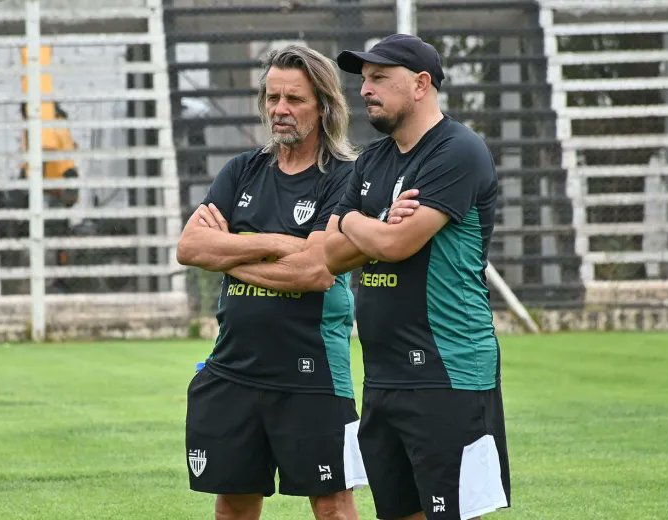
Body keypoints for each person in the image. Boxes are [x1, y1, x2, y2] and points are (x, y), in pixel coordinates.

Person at [324, 34, 510, 520]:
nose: (365, 89)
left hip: (448, 370)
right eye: (364, 80)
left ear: (421, 84)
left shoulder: (458, 150)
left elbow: (395, 245)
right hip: (383, 373)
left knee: (451, 513)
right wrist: (376, 221)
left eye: (379, 78)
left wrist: (353, 221)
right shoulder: (372, 160)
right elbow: (330, 254)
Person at [177, 45, 366, 520]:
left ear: (323, 106)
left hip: (312, 373)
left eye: (294, 99)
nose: (280, 109)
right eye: (272, 97)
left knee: (332, 505)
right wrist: (277, 243)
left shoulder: (344, 178)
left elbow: (315, 271)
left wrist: (230, 253)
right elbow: (190, 247)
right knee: (233, 504)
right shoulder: (242, 169)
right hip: (234, 368)